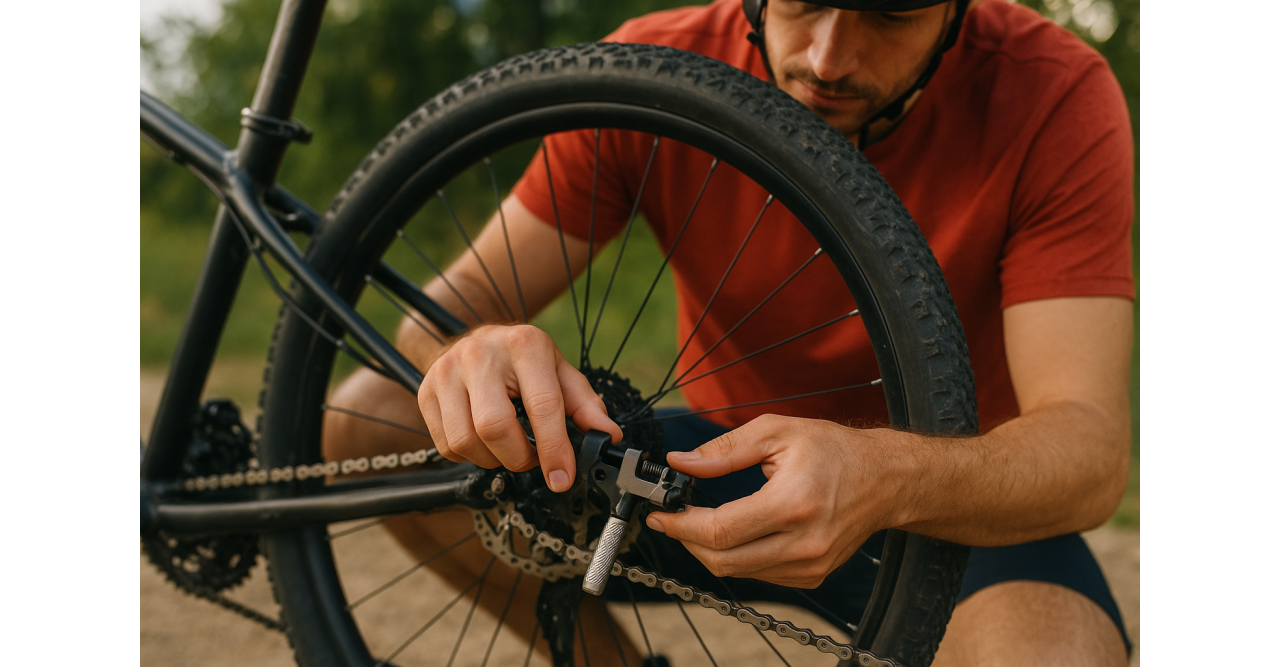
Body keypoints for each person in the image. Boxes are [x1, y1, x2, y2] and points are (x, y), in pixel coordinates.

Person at [325, 0, 1134, 664]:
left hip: (942, 501)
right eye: (804, 0)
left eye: (891, 13)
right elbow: (443, 309)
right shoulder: (653, 68)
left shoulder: (1052, 91)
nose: (827, 57)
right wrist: (476, 349)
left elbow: (1089, 453)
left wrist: (885, 472)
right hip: (703, 463)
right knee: (369, 414)